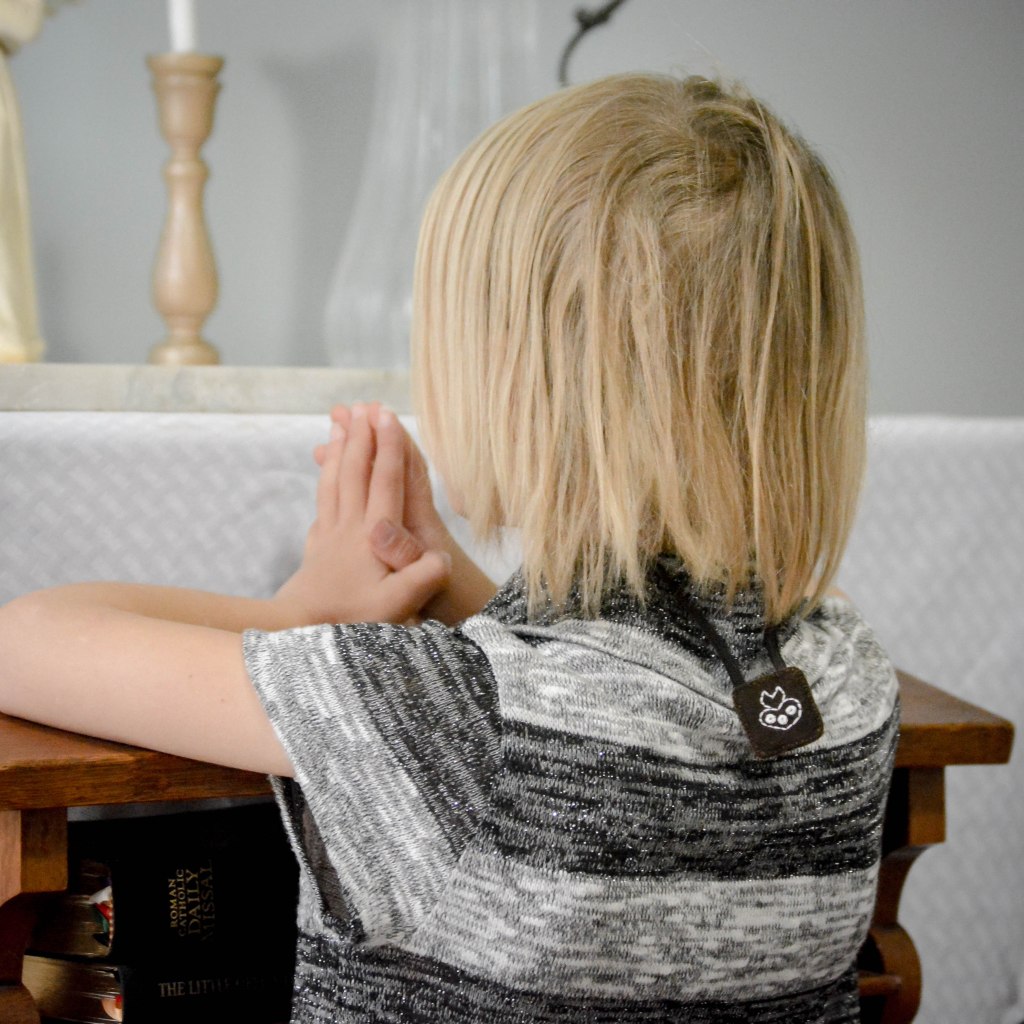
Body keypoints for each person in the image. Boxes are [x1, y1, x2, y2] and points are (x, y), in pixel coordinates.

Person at [0, 72, 898, 1023]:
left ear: (520, 386)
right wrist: (460, 590)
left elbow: (22, 640)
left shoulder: (446, 718)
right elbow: (626, 698)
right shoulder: (842, 678)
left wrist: (298, 616)